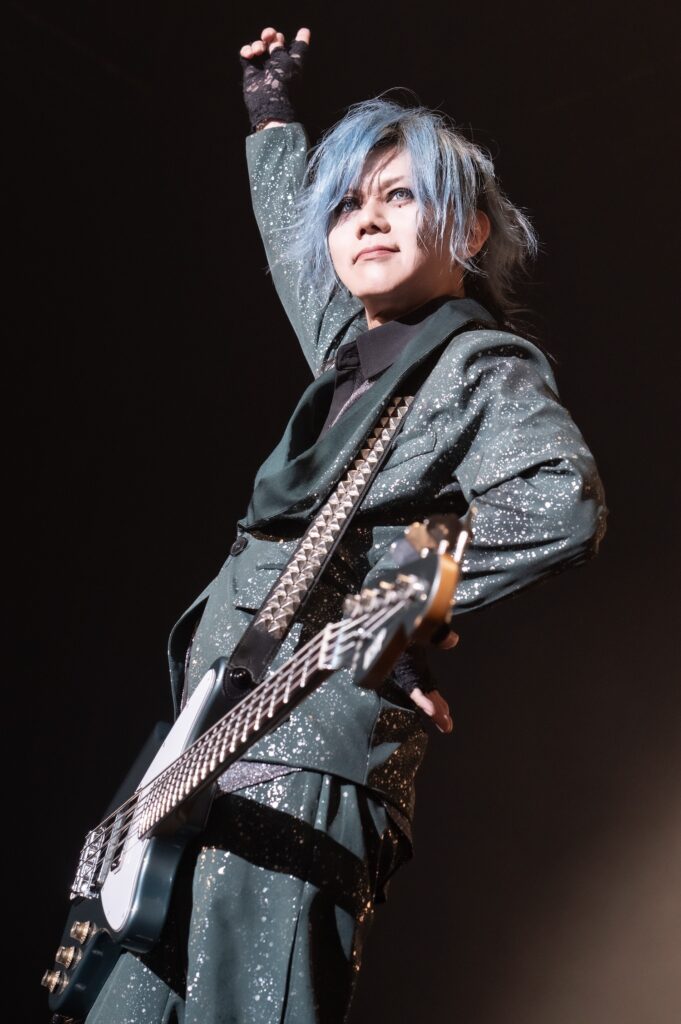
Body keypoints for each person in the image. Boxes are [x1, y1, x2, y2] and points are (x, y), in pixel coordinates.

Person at [84, 24, 606, 1024]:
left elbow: (562, 501)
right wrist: (272, 120)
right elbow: (295, 244)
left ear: (468, 233)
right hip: (205, 750)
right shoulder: (349, 361)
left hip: (304, 766)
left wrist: (401, 603)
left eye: (399, 196)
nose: (365, 219)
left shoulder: (474, 368)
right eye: (348, 205)